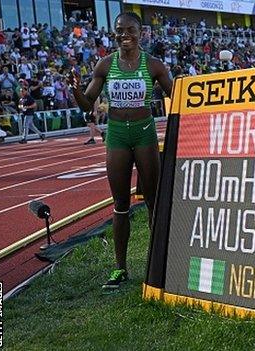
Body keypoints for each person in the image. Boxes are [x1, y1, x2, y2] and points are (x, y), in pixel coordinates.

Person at [68, 12, 172, 290]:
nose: (125, 35)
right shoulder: (105, 64)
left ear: (141, 33)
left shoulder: (154, 65)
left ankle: (157, 263)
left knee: (153, 199)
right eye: (119, 30)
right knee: (120, 204)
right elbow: (86, 104)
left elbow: (178, 94)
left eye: (130, 30)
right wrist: (74, 88)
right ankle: (120, 268)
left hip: (144, 133)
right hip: (117, 135)